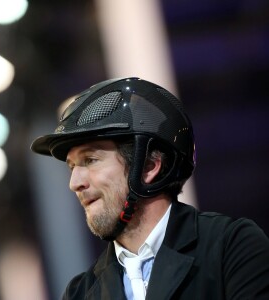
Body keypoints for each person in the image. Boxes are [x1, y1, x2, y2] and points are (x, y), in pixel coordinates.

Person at [31, 77, 269, 300]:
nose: (74, 183)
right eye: (71, 167)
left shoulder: (231, 247)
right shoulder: (79, 293)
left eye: (90, 160)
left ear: (149, 166)